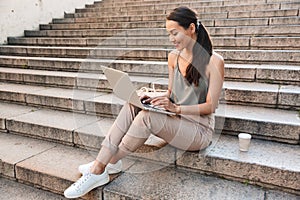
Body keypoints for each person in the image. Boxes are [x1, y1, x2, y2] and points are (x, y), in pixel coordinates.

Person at [64, 6, 224, 198]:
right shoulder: (174, 57)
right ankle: (104, 162)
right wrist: (153, 96)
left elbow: (210, 106)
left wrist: (176, 108)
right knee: (135, 102)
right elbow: (172, 93)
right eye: (168, 34)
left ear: (191, 28)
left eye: (175, 33)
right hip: (177, 120)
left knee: (146, 118)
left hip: (199, 130)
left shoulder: (214, 61)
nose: (171, 39)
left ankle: (101, 166)